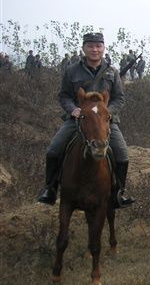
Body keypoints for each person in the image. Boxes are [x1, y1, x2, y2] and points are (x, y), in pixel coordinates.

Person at [37, 32, 135, 208]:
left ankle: (119, 192)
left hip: (106, 123)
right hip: (78, 120)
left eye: (98, 46)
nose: (94, 50)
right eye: (90, 46)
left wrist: (107, 113)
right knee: (53, 149)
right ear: (84, 48)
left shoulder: (112, 72)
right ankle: (50, 189)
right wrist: (72, 109)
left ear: (104, 48)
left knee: (122, 154)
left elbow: (119, 98)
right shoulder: (72, 70)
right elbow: (64, 95)